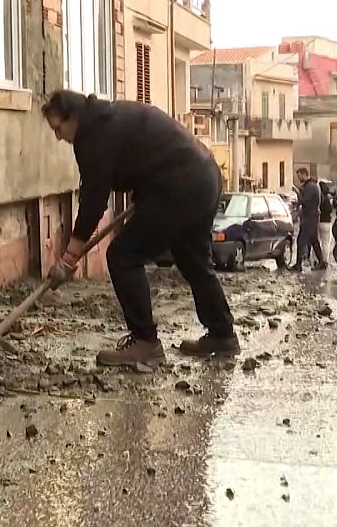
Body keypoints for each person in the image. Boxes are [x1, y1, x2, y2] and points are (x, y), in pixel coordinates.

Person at [41, 90, 238, 367]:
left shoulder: (93, 136)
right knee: (193, 258)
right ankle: (222, 333)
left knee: (123, 255)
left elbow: (93, 202)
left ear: (73, 117)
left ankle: (145, 341)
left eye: (58, 128)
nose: (58, 136)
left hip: (180, 185)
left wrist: (69, 257)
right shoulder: (108, 118)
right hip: (203, 176)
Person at [291, 168, 326, 271]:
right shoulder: (312, 186)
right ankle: (321, 262)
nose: (298, 178)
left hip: (309, 218)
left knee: (301, 241)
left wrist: (298, 193)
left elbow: (305, 201)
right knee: (314, 241)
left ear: (304, 174)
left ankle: (298, 265)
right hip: (312, 217)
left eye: (299, 176)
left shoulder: (310, 187)